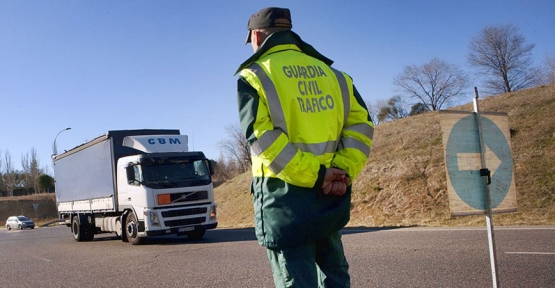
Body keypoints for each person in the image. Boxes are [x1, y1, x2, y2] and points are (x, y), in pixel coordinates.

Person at [235, 7, 374, 288]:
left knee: (296, 280)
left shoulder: (255, 76)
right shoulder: (337, 77)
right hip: (331, 196)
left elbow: (264, 140)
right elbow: (361, 127)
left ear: (257, 35)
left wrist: (317, 175)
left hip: (285, 202)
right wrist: (340, 172)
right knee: (335, 276)